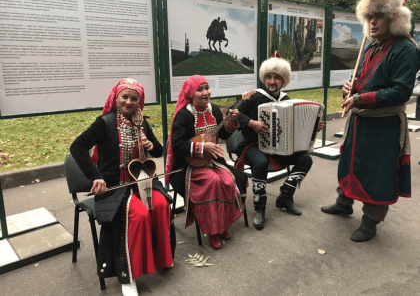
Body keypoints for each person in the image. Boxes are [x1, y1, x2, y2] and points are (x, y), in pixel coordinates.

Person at [321, 0, 420, 242]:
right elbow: (363, 80)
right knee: (350, 163)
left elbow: (400, 92)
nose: (373, 22)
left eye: (379, 16)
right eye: (369, 17)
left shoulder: (406, 49)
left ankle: (370, 221)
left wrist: (360, 97)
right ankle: (344, 204)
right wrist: (350, 88)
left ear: (393, 18)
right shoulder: (370, 46)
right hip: (361, 120)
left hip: (384, 124)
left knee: (377, 173)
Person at [70, 78, 173, 296]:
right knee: (139, 215)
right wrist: (95, 177)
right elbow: (77, 147)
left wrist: (151, 145)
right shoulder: (104, 122)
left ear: (140, 101)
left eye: (134, 98)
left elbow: (158, 152)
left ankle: (162, 258)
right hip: (114, 185)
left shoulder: (142, 122)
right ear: (116, 98)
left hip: (142, 178)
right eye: (124, 97)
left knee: (162, 205)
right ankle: (128, 275)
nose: (128, 102)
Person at [235, 51, 324, 229]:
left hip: (280, 148)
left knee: (305, 159)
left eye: (277, 77)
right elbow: (233, 113)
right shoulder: (253, 96)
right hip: (254, 144)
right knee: (260, 163)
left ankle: (285, 196)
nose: (272, 81)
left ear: (283, 80)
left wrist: (313, 127)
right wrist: (251, 123)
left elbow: (295, 127)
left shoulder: (287, 100)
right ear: (264, 78)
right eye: (268, 77)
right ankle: (260, 208)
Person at [165, 75, 248, 249]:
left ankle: (222, 225)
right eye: (200, 89)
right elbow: (177, 144)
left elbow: (222, 135)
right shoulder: (185, 115)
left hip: (213, 161)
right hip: (188, 165)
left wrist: (232, 122)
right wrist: (203, 148)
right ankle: (212, 231)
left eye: (207, 88)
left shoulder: (214, 110)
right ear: (190, 93)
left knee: (228, 180)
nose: (205, 92)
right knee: (212, 182)